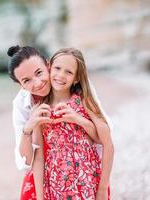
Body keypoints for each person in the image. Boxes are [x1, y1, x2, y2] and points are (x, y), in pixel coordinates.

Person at [7, 45, 114, 200]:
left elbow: (105, 138)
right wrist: (28, 127)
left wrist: (78, 119)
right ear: (20, 85)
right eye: (27, 80)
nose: (37, 83)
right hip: (53, 177)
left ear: (48, 65)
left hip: (86, 173)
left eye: (39, 72)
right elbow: (31, 158)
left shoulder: (81, 92)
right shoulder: (31, 107)